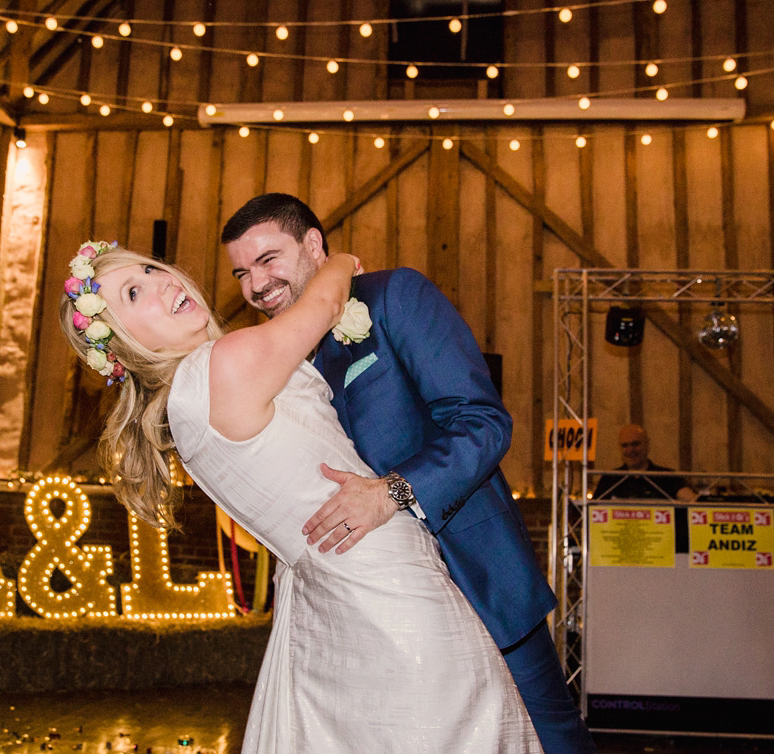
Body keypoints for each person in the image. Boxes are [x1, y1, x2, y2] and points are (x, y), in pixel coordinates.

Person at [60, 240, 541, 752]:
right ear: (125, 347)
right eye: (134, 293)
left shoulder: (181, 410)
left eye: (153, 269)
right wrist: (338, 260)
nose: (164, 282)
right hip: (393, 593)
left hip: (333, 608)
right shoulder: (224, 363)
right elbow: (324, 304)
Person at [222, 193, 596, 754]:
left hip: (475, 578)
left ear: (314, 246)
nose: (256, 284)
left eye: (269, 259)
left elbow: (482, 422)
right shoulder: (276, 362)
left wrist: (393, 493)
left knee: (547, 740)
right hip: (378, 611)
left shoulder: (394, 296)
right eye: (242, 273)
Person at [594, 424, 696, 501]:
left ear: (647, 445)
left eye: (635, 444)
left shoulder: (667, 477)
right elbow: (592, 510)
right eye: (625, 446)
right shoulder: (609, 479)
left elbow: (692, 501)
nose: (630, 450)